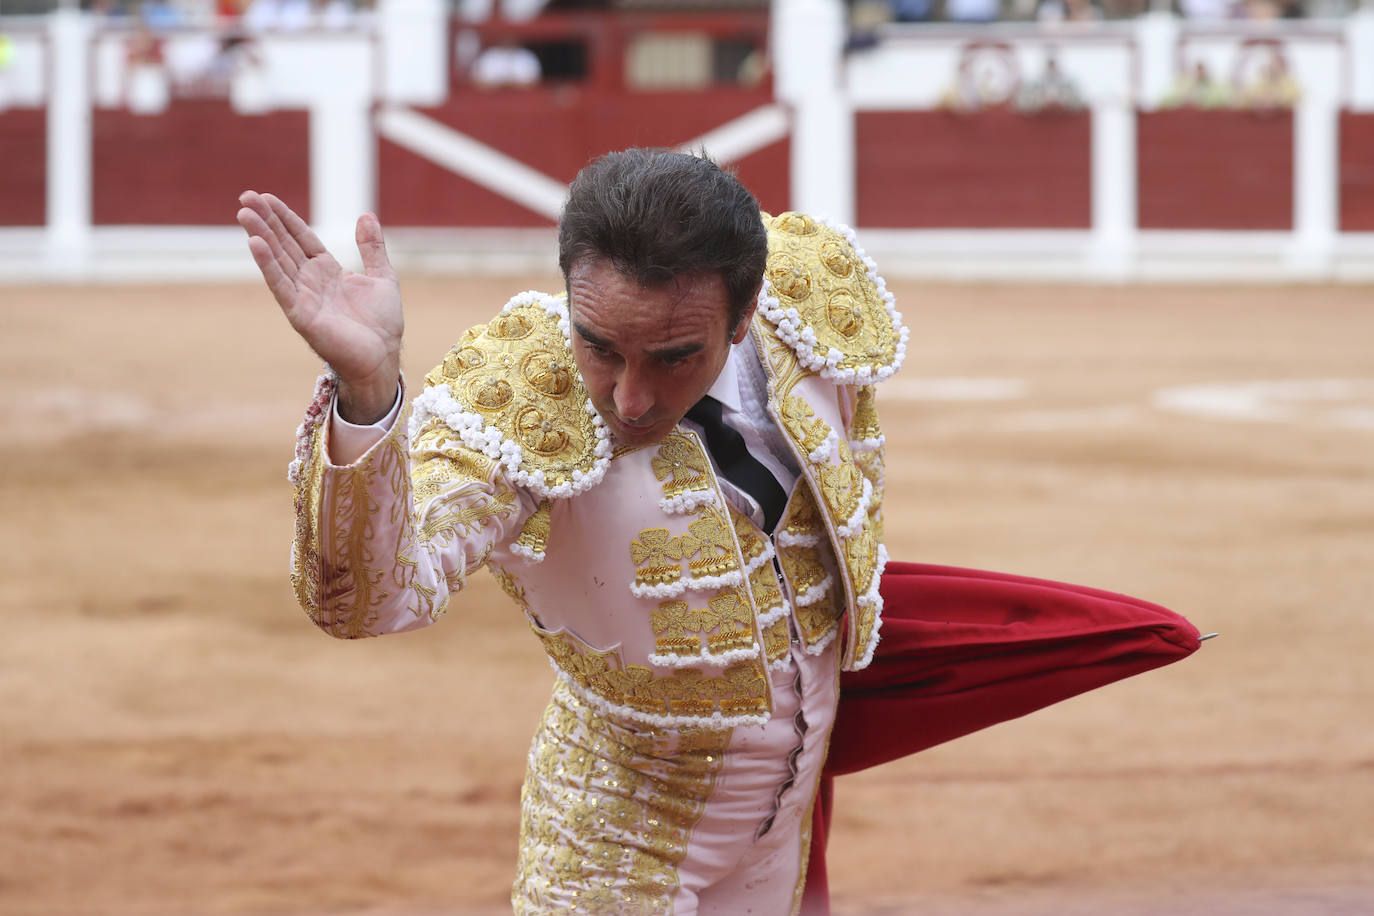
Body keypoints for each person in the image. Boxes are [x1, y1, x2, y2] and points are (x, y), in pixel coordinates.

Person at [237, 148, 907, 913]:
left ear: (745, 311)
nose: (628, 398)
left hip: (785, 825)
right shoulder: (522, 396)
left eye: (674, 357)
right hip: (617, 840)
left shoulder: (805, 304)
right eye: (599, 346)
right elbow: (367, 603)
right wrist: (367, 393)